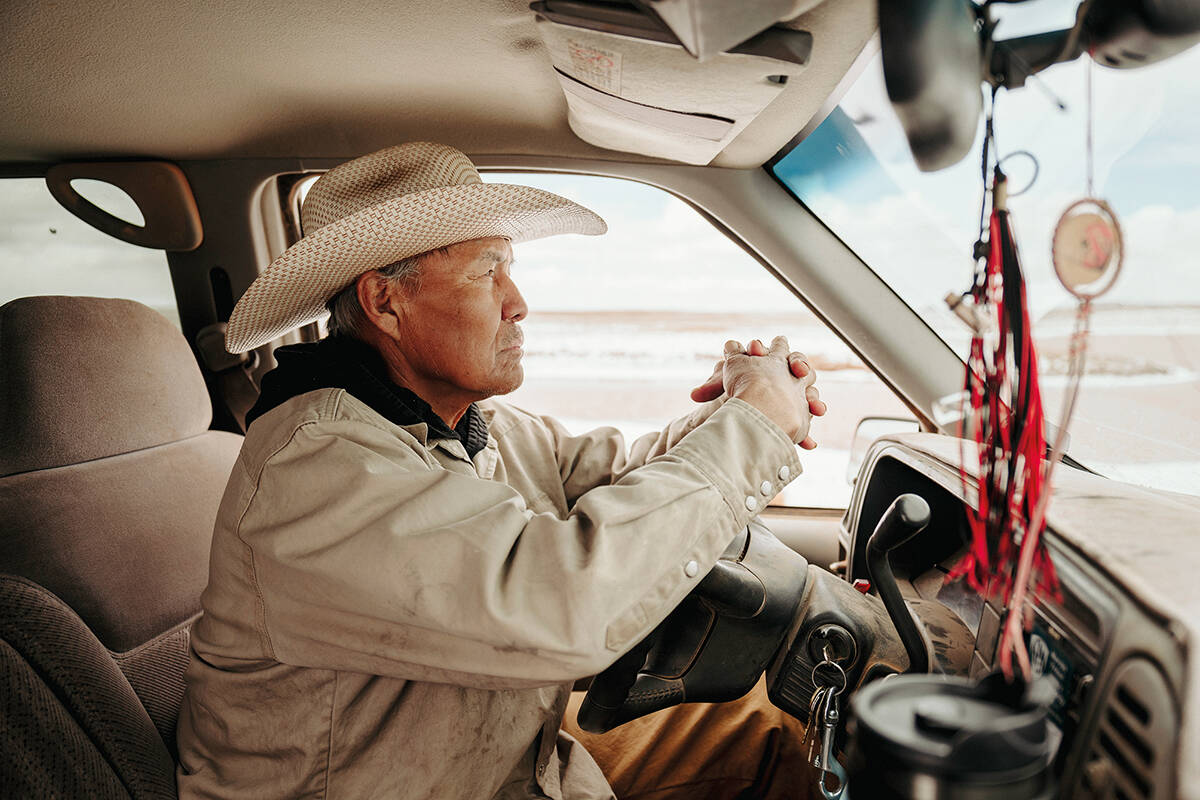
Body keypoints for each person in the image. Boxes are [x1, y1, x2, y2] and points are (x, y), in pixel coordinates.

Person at [176, 141, 827, 799]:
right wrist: (754, 430)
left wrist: (741, 411)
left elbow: (612, 479)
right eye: (488, 273)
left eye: (509, 269)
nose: (517, 303)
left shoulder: (462, 422)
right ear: (385, 303)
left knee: (773, 729)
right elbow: (561, 605)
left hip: (514, 766)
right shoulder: (319, 468)